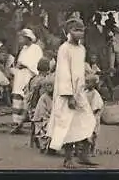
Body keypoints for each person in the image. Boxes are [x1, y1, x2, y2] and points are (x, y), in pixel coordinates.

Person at [47, 18, 98, 169]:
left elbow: (79, 69)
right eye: (76, 30)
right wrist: (69, 96)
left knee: (88, 121)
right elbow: (63, 72)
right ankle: (68, 158)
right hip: (66, 93)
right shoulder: (64, 49)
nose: (79, 33)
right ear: (68, 32)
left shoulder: (82, 49)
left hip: (79, 91)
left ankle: (83, 155)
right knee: (68, 124)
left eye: (82, 30)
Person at [10, 28, 43, 134]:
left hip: (28, 76)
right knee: (17, 99)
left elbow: (37, 63)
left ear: (27, 38)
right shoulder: (23, 49)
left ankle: (22, 122)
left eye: (22, 37)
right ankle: (16, 123)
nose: (20, 39)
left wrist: (25, 65)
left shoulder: (36, 49)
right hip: (20, 76)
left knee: (26, 100)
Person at [31, 75, 54, 154]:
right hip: (42, 119)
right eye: (48, 85)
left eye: (52, 85)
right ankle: (44, 146)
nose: (50, 87)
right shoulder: (43, 98)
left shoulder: (55, 97)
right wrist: (48, 117)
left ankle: (52, 147)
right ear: (44, 87)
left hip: (52, 118)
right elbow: (41, 111)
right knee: (47, 127)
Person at [84, 74, 104, 156]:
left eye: (88, 82)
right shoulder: (86, 92)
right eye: (86, 82)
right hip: (86, 116)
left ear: (94, 84)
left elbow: (96, 107)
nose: (86, 84)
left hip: (93, 117)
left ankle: (92, 149)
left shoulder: (95, 94)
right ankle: (86, 150)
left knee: (93, 135)